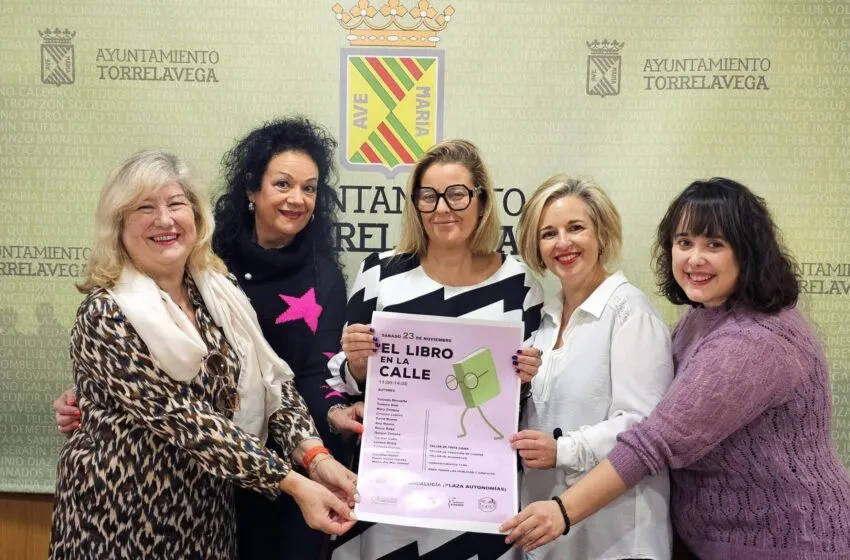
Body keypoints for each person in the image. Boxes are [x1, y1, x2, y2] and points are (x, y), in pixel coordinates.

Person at [53, 117, 363, 559]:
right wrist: (294, 483)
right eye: (144, 208)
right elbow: (188, 420)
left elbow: (271, 383)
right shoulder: (106, 312)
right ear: (118, 225)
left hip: (206, 519)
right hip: (120, 522)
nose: (165, 220)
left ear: (196, 215)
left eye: (176, 204)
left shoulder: (218, 292)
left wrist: (318, 458)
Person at [501, 178, 850, 560]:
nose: (695, 259)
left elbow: (651, 438)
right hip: (705, 537)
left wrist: (562, 505)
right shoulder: (701, 315)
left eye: (714, 244)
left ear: (747, 251)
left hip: (784, 540)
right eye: (684, 243)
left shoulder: (751, 341)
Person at [327, 139, 544, 560]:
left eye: (457, 194)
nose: (443, 208)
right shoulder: (380, 272)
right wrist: (355, 362)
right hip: (391, 493)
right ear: (416, 205)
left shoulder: (520, 283)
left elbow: (531, 396)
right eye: (429, 196)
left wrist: (530, 374)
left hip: (477, 493)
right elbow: (347, 383)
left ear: (481, 201)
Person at [511, 174, 673, 559]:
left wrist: (562, 449)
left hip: (615, 538)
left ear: (601, 234)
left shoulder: (631, 312)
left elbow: (642, 426)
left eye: (576, 228)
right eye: (548, 233)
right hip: (549, 536)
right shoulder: (543, 320)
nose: (562, 243)